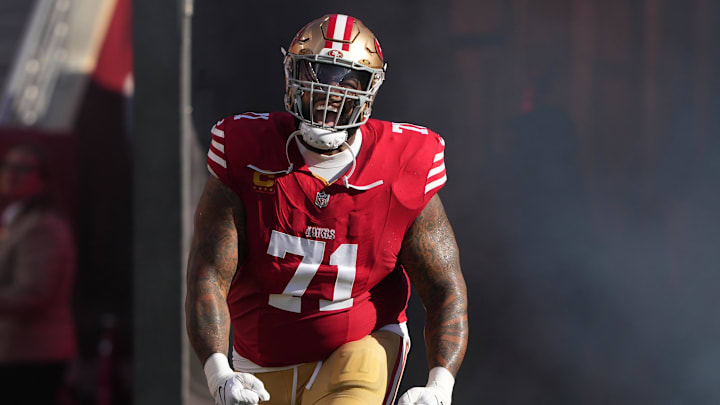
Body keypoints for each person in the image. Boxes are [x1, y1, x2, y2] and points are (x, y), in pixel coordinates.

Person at [186, 14, 468, 405]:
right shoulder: (247, 152)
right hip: (260, 361)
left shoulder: (402, 163)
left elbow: (444, 287)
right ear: (292, 76)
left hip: (359, 348)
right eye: (317, 75)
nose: (330, 94)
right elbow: (208, 274)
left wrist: (440, 386)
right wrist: (218, 372)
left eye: (346, 82)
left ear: (369, 91)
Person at [0, 143, 76, 404]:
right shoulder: (15, 221)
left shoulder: (43, 226)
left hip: (34, 355)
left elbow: (33, 293)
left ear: (41, 178)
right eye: (7, 166)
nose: (11, 174)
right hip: (18, 353)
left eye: (22, 168)